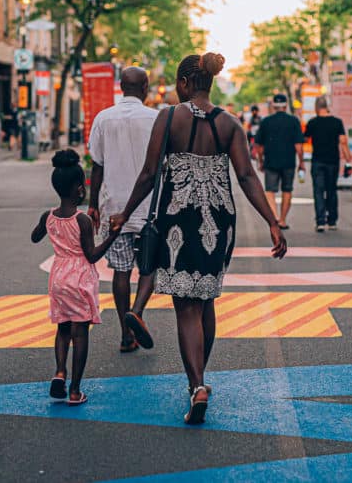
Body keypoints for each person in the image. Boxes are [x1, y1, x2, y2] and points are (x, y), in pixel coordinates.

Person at [110, 52, 287, 425]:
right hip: (219, 221)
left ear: (186, 83)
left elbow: (148, 173)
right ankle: (199, 380)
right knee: (205, 299)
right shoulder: (230, 124)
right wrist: (273, 221)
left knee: (186, 306)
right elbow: (248, 178)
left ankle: (197, 385)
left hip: (179, 217)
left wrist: (125, 213)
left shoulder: (169, 117)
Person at [31, 150, 119, 406]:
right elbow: (91, 256)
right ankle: (75, 390)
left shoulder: (48, 216)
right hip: (79, 278)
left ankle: (60, 371)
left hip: (58, 278)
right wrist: (112, 236)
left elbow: (35, 237)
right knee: (80, 333)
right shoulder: (81, 220)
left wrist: (45, 228)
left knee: (62, 328)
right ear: (80, 189)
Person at [88, 67, 160, 353]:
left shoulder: (103, 118)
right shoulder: (155, 119)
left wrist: (93, 204)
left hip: (114, 208)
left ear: (120, 87)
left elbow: (97, 164)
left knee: (120, 271)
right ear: (145, 87)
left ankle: (125, 333)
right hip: (149, 207)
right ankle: (138, 313)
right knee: (149, 266)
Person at [255, 93, 305, 230]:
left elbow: (259, 146)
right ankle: (283, 220)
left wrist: (261, 161)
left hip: (270, 161)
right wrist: (301, 162)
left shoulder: (266, 121)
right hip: (289, 162)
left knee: (270, 191)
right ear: (286, 105)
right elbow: (299, 146)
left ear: (273, 106)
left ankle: (275, 218)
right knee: (287, 190)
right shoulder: (293, 121)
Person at [304, 96, 350, 232]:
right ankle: (332, 221)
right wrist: (348, 160)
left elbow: (305, 138)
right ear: (327, 107)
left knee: (318, 191)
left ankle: (320, 222)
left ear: (316, 108)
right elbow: (343, 141)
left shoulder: (312, 122)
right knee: (331, 190)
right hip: (333, 161)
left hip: (317, 161)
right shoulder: (337, 122)